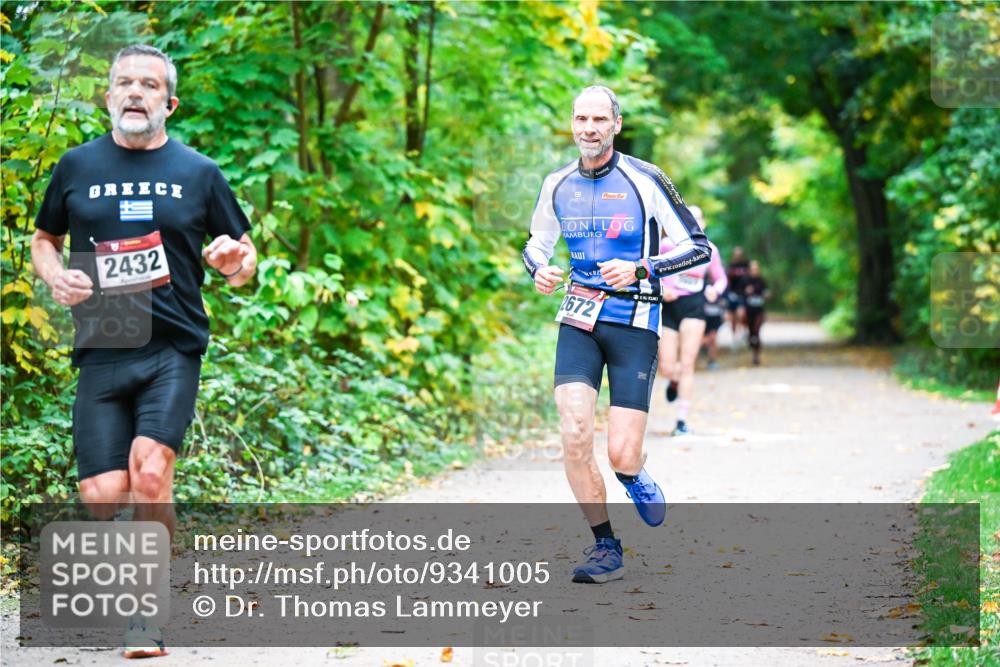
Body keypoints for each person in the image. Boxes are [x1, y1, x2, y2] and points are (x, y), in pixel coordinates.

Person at [30, 44, 257, 658]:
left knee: (150, 474)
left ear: (169, 102)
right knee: (103, 497)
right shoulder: (76, 166)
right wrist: (53, 275)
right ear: (107, 97)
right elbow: (44, 238)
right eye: (124, 83)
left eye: (149, 85)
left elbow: (244, 261)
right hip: (104, 343)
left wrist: (238, 263)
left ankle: (145, 612)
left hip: (172, 346)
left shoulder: (199, 172)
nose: (136, 92)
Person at [522, 85, 711, 583]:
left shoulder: (645, 179)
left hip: (636, 320)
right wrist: (538, 269)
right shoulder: (556, 183)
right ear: (572, 123)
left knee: (620, 452)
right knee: (574, 430)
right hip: (578, 318)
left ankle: (632, 473)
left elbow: (698, 247)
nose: (588, 128)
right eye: (581, 119)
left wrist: (641, 268)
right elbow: (536, 244)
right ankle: (605, 546)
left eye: (598, 120)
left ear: (616, 125)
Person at [659, 205, 727, 435]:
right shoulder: (666, 245)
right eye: (689, 218)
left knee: (687, 364)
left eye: (698, 218)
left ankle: (681, 421)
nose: (694, 222)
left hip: (694, 307)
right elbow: (648, 273)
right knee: (667, 367)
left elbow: (721, 279)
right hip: (669, 307)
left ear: (703, 223)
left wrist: (715, 291)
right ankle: (674, 380)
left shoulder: (709, 250)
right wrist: (661, 289)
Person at [743, 260, 769, 366]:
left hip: (759, 310)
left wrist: (767, 294)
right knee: (751, 332)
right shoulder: (745, 280)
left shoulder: (761, 280)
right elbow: (739, 293)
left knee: (756, 330)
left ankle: (756, 355)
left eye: (756, 269)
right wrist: (745, 292)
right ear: (749, 270)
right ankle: (750, 341)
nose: (754, 271)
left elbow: (766, 291)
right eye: (752, 269)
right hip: (748, 310)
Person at [725, 246, 749, 348]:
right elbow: (726, 279)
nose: (738, 255)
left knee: (741, 314)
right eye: (736, 253)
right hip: (732, 293)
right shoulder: (731, 265)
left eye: (740, 253)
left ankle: (743, 331)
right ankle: (734, 337)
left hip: (743, 293)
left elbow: (750, 277)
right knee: (732, 318)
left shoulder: (746, 264)